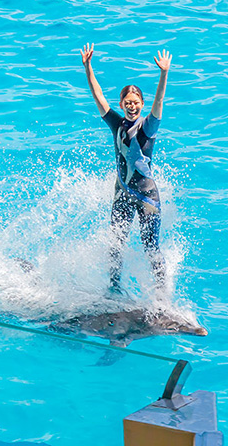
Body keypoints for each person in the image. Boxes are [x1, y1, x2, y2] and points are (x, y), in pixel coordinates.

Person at [80, 43, 172, 295]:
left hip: (146, 197)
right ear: (121, 104)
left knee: (150, 246)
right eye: (127, 102)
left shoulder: (148, 126)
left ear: (142, 103)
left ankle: (163, 294)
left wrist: (164, 74)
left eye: (136, 102)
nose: (132, 106)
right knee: (115, 245)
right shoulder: (116, 123)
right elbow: (97, 96)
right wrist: (88, 68)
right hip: (121, 193)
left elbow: (160, 100)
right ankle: (114, 289)